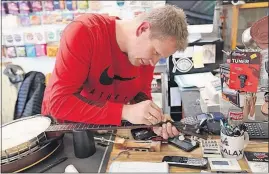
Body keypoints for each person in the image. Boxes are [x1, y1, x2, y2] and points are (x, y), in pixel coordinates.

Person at [42, 5, 188, 139]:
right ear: (142, 29)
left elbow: (140, 94)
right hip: (67, 134)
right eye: (155, 52)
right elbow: (59, 104)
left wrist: (153, 120)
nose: (153, 62)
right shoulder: (85, 32)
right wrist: (125, 112)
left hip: (106, 131)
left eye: (160, 57)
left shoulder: (144, 57)